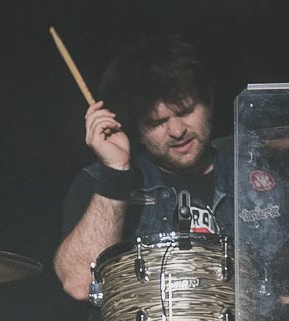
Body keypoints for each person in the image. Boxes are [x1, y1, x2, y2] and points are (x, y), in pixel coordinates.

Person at [53, 36, 231, 304]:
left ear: (210, 101)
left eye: (185, 111)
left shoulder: (255, 178)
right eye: (157, 122)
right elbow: (80, 282)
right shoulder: (98, 180)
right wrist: (115, 172)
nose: (177, 131)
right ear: (136, 126)